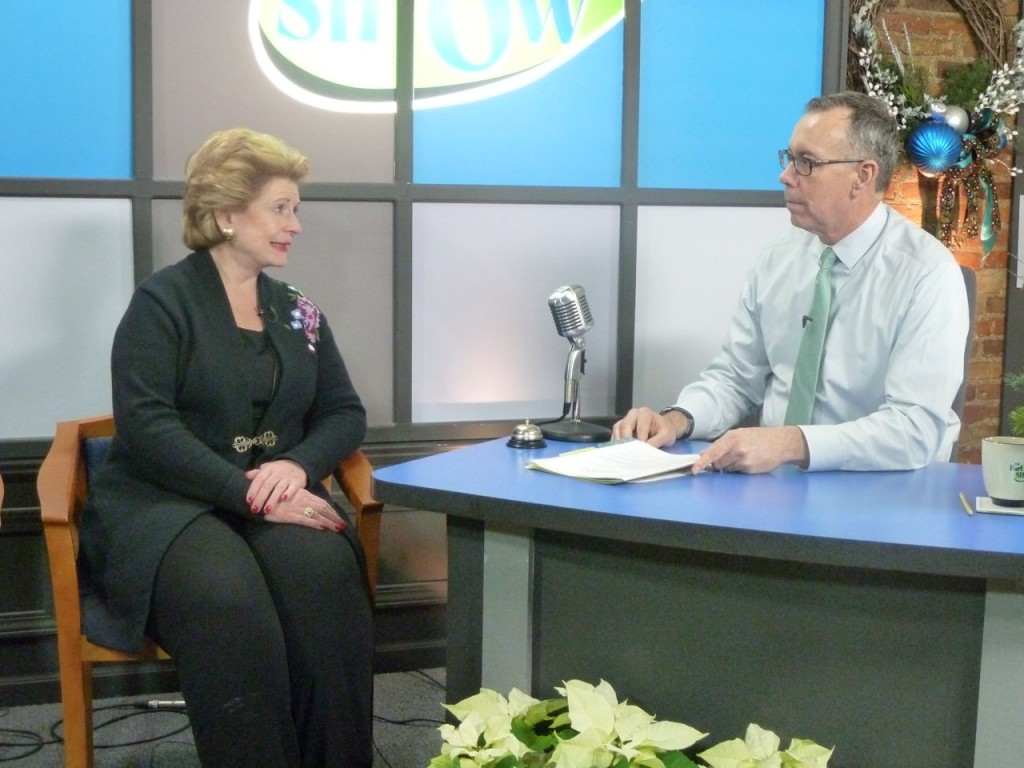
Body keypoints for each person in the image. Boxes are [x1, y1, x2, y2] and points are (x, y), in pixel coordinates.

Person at [78, 128, 373, 767]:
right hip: (167, 503)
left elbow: (344, 413)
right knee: (226, 597)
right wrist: (248, 493)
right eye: (280, 208)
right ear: (225, 215)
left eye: (296, 208)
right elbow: (147, 428)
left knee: (323, 579)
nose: (295, 224)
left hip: (274, 494)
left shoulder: (299, 310)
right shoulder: (163, 303)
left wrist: (297, 465)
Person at [613, 91, 969, 474]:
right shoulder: (778, 257)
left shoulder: (927, 274)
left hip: (881, 493)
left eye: (806, 163)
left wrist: (793, 442)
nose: (786, 176)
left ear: (862, 176)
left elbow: (914, 430)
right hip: (771, 490)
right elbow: (735, 379)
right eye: (790, 159)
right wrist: (677, 419)